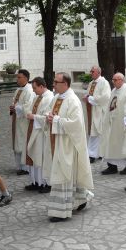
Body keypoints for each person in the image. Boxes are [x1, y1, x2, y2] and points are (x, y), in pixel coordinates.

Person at [45, 73, 94, 222]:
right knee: (64, 174)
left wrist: (56, 120)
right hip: (57, 141)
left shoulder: (73, 100)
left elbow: (76, 124)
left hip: (67, 144)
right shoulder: (56, 98)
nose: (53, 84)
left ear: (65, 84)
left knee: (64, 174)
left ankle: (61, 211)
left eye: (56, 82)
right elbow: (50, 112)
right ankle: (81, 198)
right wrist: (48, 117)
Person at [25, 77, 54, 193]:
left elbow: (47, 117)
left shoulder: (49, 98)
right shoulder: (38, 97)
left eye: (35, 88)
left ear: (42, 86)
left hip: (42, 133)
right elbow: (31, 109)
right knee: (35, 155)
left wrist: (34, 117)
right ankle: (36, 181)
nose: (33, 90)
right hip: (34, 130)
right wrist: (29, 114)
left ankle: (46, 183)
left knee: (41, 157)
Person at [99, 73, 126, 175]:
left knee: (123, 145)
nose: (113, 82)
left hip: (121, 123)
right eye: (113, 80)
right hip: (112, 122)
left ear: (122, 80)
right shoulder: (114, 91)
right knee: (109, 143)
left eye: (115, 80)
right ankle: (112, 166)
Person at [83, 65, 111, 163]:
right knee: (93, 132)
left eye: (93, 71)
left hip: (99, 111)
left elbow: (106, 97)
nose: (91, 73)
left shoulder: (104, 82)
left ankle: (92, 155)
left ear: (99, 72)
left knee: (96, 133)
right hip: (91, 111)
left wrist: (90, 99)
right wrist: (86, 97)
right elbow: (89, 94)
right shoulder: (91, 83)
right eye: (91, 71)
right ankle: (97, 153)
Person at [10, 69, 34, 175]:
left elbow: (29, 106)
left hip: (24, 122)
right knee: (17, 142)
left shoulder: (29, 91)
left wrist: (16, 107)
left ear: (26, 78)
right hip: (17, 120)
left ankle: (25, 167)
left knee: (23, 142)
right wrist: (12, 107)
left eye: (19, 77)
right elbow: (15, 102)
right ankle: (19, 165)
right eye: (17, 77)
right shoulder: (18, 90)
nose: (17, 79)